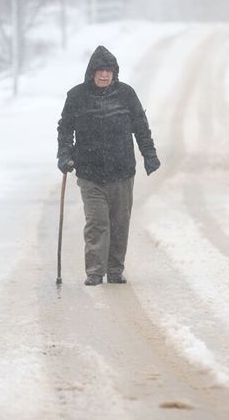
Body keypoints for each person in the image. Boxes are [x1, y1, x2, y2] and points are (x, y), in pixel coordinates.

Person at [57, 45, 160, 286]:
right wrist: (64, 154)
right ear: (91, 72)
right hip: (90, 173)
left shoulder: (126, 94)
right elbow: (65, 129)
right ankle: (94, 271)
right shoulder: (77, 96)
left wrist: (149, 154)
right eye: (100, 70)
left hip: (122, 171)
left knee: (120, 222)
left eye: (109, 71)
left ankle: (115, 269)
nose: (104, 75)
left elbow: (140, 127)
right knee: (97, 222)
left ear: (115, 73)